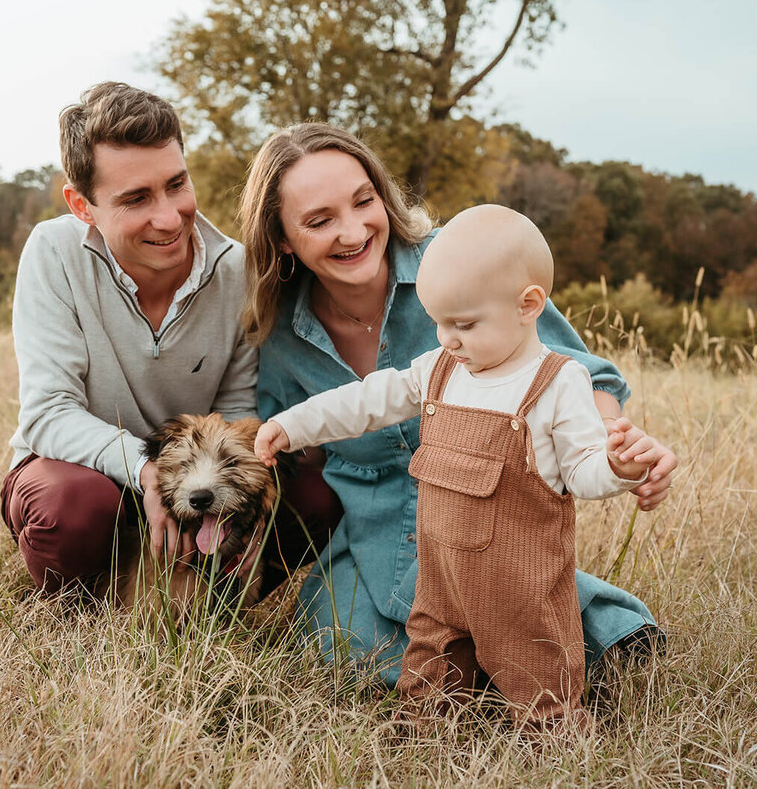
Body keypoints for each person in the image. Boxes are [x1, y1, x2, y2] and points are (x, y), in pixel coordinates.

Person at [238, 123, 678, 689]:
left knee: (526, 626)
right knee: (343, 652)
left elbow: (576, 374)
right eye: (319, 221)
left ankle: (584, 634)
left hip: (492, 510)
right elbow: (282, 439)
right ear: (282, 239)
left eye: (363, 201)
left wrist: (616, 444)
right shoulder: (280, 334)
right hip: (374, 526)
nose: (353, 231)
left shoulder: (461, 259)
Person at [0, 82, 336, 594]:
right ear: (82, 205)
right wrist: (146, 470)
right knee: (70, 511)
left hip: (203, 479)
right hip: (88, 476)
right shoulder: (53, 253)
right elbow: (48, 411)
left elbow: (237, 411)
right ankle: (103, 591)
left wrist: (247, 507)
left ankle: (217, 583)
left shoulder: (238, 271)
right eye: (135, 198)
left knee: (318, 492)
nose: (168, 217)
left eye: (176, 184)